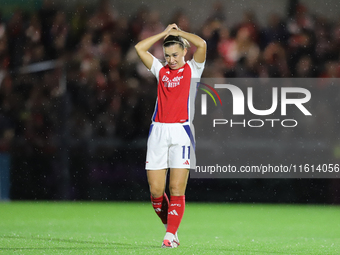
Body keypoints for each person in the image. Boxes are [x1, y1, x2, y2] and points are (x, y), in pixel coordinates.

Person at [135, 23, 206, 248]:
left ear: (185, 51)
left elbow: (202, 44)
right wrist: (165, 34)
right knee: (156, 192)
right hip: (158, 130)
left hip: (181, 131)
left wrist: (179, 34)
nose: (171, 60)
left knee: (176, 188)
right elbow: (139, 48)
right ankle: (171, 229)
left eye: (175, 54)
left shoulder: (194, 69)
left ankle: (170, 235)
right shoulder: (160, 70)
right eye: (167, 55)